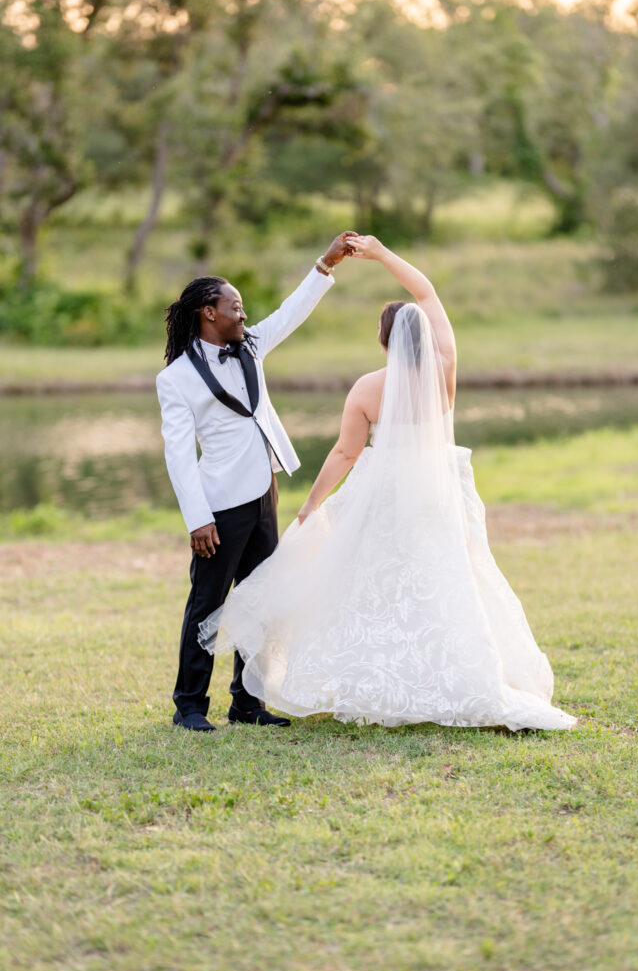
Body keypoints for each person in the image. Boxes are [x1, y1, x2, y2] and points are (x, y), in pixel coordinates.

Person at [198, 236, 577, 732]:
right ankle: (462, 677)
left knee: (376, 585)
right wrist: (381, 254)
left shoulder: (368, 389)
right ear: (425, 337)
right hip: (439, 495)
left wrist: (312, 503)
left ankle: (374, 680)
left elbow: (345, 453)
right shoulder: (445, 369)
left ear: (383, 341)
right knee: (445, 582)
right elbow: (427, 293)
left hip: (385, 497)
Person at [157, 232, 356, 731]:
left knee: (264, 600)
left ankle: (248, 704)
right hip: (219, 507)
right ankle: (189, 707)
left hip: (264, 494)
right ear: (208, 311)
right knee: (208, 605)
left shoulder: (250, 346)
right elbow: (179, 456)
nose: (243, 315)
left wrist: (324, 265)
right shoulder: (176, 379)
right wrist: (197, 519)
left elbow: (290, 313)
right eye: (235, 306)